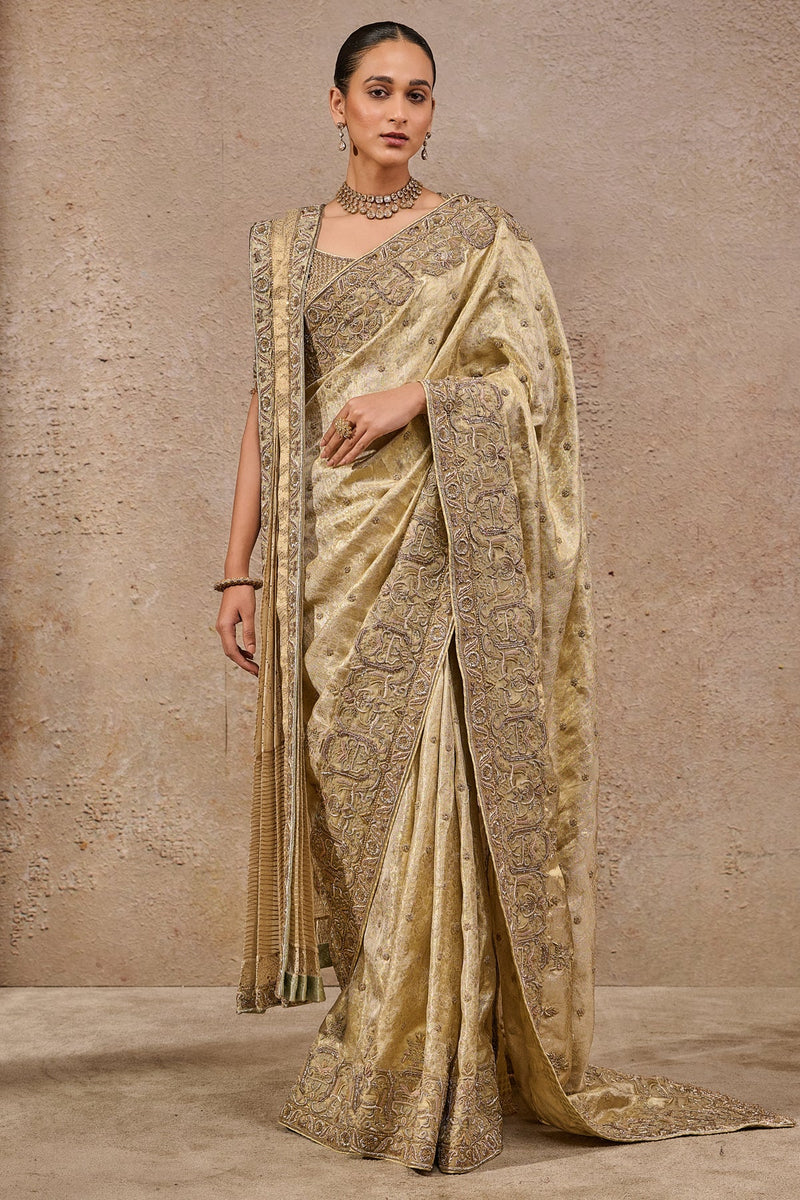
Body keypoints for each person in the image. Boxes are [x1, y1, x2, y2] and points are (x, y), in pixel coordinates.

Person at [215, 19, 793, 1175]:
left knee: (430, 793)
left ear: (432, 111)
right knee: (350, 806)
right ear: (335, 104)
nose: (398, 111)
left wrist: (421, 395)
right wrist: (238, 567)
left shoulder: (481, 239)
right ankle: (372, 1038)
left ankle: (426, 1069)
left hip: (436, 548)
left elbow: (534, 381)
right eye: (377, 90)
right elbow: (268, 412)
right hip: (327, 562)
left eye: (417, 94)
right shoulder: (281, 248)